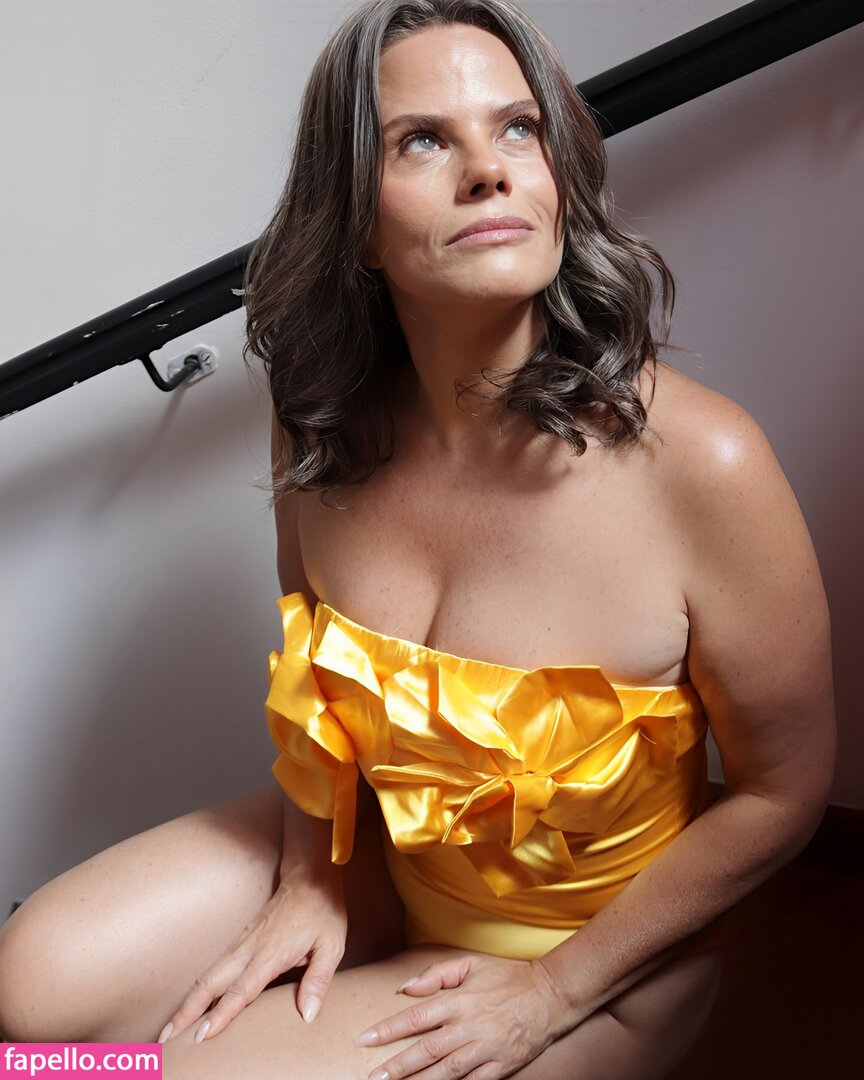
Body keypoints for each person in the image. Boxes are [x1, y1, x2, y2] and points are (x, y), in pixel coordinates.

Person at [0, 1, 836, 1077]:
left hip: (590, 965)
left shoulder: (704, 461)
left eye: (519, 129)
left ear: (558, 176)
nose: (488, 170)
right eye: (424, 141)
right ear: (354, 215)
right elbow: (314, 695)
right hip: (382, 867)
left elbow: (781, 795)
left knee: (182, 1075)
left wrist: (550, 993)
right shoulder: (322, 424)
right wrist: (311, 877)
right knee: (31, 992)